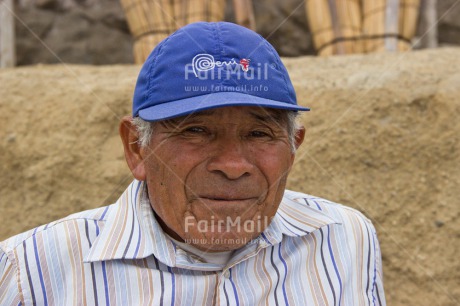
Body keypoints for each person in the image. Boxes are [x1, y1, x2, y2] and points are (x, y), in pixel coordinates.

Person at [0, 22, 385, 305]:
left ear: (293, 148)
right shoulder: (29, 272)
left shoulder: (345, 240)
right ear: (136, 148)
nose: (234, 166)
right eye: (196, 131)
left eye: (259, 134)